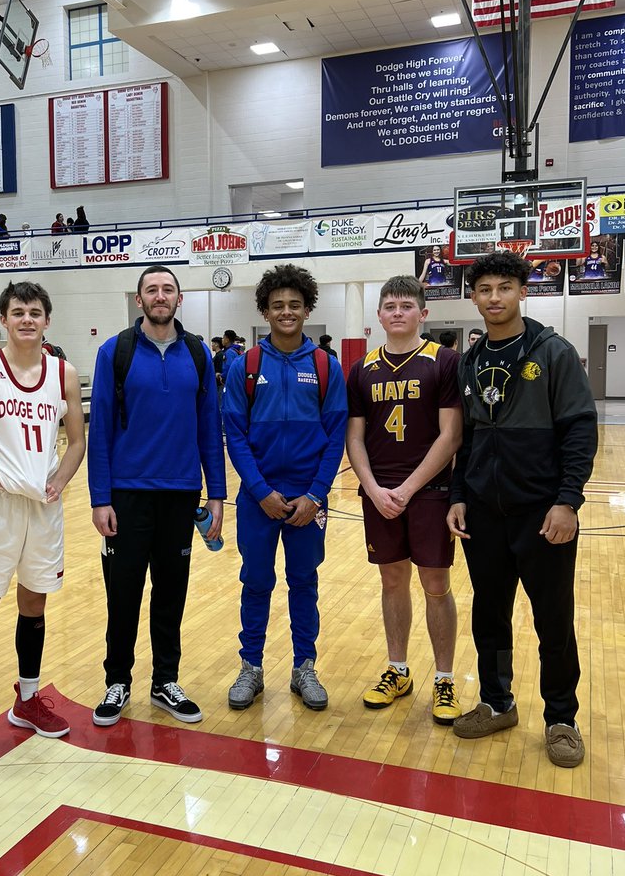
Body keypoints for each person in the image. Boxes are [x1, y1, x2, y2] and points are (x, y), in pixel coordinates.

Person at [447, 252, 598, 767]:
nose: (495, 298)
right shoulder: (469, 360)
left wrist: (567, 501)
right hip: (484, 514)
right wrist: (459, 495)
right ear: (473, 297)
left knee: (553, 620)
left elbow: (579, 428)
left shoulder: (553, 352)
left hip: (542, 513)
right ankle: (497, 703)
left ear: (522, 292)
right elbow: (466, 438)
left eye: (505, 287)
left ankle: (561, 718)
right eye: (485, 289)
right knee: (489, 616)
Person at [0, 281, 86, 761]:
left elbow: (77, 442)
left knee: (35, 603)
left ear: (47, 320)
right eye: (18, 312)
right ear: (3, 319)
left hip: (43, 506)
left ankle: (27, 699)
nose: (27, 319)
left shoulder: (64, 373)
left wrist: (60, 480)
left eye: (35, 312)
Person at [88, 264, 226, 727]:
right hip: (127, 497)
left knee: (171, 594)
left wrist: (217, 493)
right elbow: (100, 429)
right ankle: (117, 681)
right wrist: (100, 498)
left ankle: (166, 680)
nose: (160, 296)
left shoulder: (198, 353)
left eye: (168, 289)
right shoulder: (115, 352)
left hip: (181, 495)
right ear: (140, 299)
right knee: (122, 594)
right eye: (152, 289)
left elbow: (209, 427)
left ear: (179, 298)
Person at [223, 265, 347, 710]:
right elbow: (235, 434)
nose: (287, 312)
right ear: (265, 311)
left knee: (304, 583)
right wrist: (260, 491)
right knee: (256, 582)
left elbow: (336, 436)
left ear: (307, 309)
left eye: (295, 304)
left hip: (308, 500)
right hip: (259, 498)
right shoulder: (245, 366)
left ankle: (304, 668)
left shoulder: (326, 366)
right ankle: (251, 667)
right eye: (278, 305)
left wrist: (315, 495)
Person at [346, 276, 463, 725]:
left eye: (406, 306)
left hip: (429, 493)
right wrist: (373, 489)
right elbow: (355, 437)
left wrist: (409, 488)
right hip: (379, 495)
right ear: (378, 315)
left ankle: (445, 678)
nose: (397, 312)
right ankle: (398, 670)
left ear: (423, 313)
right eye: (390, 306)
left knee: (436, 585)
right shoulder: (362, 369)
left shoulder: (444, 361)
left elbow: (451, 435)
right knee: (392, 581)